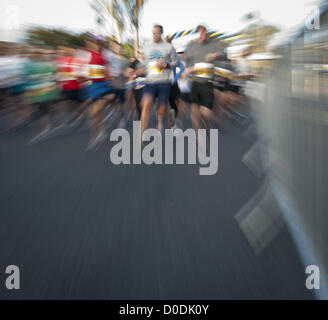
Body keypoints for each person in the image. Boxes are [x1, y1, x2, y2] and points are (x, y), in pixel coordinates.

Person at [137, 24, 178, 142]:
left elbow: (175, 63)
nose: (155, 35)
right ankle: (142, 136)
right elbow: (144, 64)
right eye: (153, 33)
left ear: (161, 33)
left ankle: (160, 123)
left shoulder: (169, 47)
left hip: (164, 82)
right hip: (150, 82)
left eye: (157, 33)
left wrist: (166, 65)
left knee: (161, 110)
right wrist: (140, 69)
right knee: (146, 103)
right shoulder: (147, 47)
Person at [184, 25, 226, 132]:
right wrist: (188, 69)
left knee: (205, 112)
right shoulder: (191, 46)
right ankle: (197, 134)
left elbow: (224, 53)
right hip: (195, 81)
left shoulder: (212, 45)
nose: (202, 35)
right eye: (200, 33)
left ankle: (209, 123)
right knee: (194, 108)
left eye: (204, 33)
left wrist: (216, 55)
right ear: (197, 34)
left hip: (208, 83)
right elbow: (185, 60)